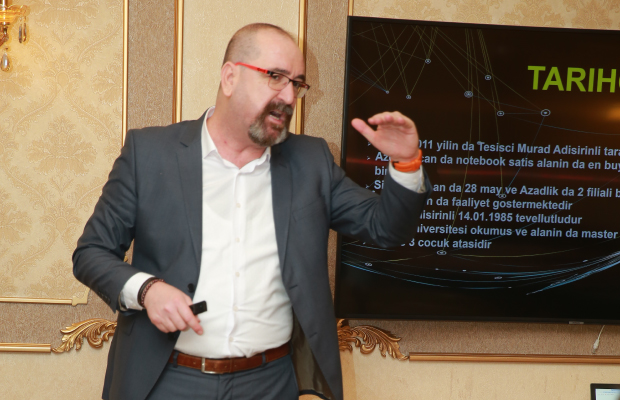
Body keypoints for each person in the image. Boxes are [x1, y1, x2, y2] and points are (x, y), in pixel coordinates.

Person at [73, 23, 431, 400]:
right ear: (230, 77)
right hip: (168, 379)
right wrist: (147, 290)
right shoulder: (149, 154)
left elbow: (385, 228)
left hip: (269, 383)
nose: (289, 96)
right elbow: (91, 253)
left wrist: (406, 163)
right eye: (275, 77)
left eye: (297, 84)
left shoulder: (311, 162)